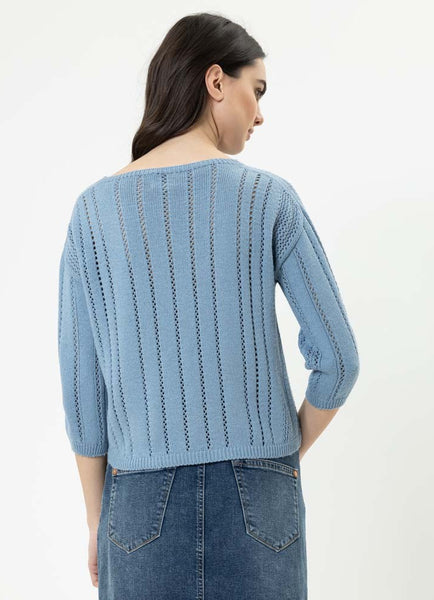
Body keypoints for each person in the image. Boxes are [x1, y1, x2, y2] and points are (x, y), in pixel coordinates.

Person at [57, 12, 360, 600]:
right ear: (216, 81)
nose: (260, 112)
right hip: (261, 496)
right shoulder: (269, 199)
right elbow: (339, 359)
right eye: (257, 90)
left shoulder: (94, 213)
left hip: (136, 502)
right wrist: (276, 456)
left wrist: (96, 519)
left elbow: (82, 391)